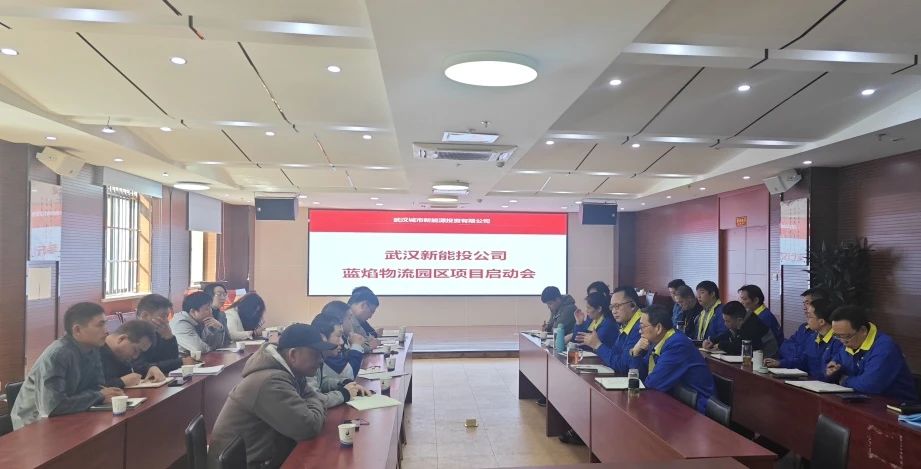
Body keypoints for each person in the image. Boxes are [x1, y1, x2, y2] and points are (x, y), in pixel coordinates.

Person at [207, 324, 333, 468]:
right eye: (315, 354)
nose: (321, 360)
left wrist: (313, 400)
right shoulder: (271, 382)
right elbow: (308, 427)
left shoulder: (292, 373)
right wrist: (317, 400)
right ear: (293, 355)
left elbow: (310, 399)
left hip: (261, 458)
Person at [11, 303, 124, 429]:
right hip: (33, 425)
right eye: (100, 325)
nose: (106, 331)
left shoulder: (93, 349)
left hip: (68, 416)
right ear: (77, 330)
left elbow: (97, 387)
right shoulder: (57, 355)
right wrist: (100, 396)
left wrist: (103, 394)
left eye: (105, 324)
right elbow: (53, 407)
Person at [631, 305, 715, 413]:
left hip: (698, 409)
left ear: (658, 328)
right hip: (676, 401)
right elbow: (641, 375)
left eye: (642, 327)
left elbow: (653, 384)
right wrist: (635, 353)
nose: (640, 331)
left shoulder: (677, 345)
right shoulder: (658, 341)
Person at [825, 306, 918, 401]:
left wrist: (844, 380)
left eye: (846, 336)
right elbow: (836, 363)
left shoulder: (885, 347)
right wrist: (832, 372)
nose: (842, 341)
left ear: (863, 330)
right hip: (862, 400)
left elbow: (870, 385)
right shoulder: (849, 343)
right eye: (837, 336)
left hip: (897, 405)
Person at [765, 299, 839, 378]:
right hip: (810, 382)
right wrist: (779, 363)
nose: (807, 320)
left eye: (809, 316)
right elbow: (803, 362)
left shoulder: (838, 342)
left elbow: (833, 373)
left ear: (821, 322)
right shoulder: (813, 337)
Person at [308, 312, 369, 407]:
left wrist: (344, 383)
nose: (341, 342)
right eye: (338, 336)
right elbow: (313, 400)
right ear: (322, 337)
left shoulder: (321, 357)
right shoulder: (308, 360)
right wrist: (344, 394)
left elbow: (321, 382)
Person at [582, 286, 645, 373]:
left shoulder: (641, 327)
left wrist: (598, 345)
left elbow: (622, 366)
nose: (614, 311)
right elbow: (615, 353)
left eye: (617, 306)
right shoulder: (626, 323)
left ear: (632, 305)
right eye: (612, 307)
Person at [132, 294, 195, 375]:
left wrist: (169, 338)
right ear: (145, 316)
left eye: (167, 316)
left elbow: (171, 359)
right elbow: (140, 368)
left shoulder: (158, 332)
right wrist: (180, 362)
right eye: (163, 316)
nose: (167, 321)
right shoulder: (133, 336)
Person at [704, 301, 778, 358]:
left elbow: (741, 348)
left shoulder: (752, 325)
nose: (725, 324)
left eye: (728, 321)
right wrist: (713, 341)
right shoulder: (741, 320)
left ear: (739, 320)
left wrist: (720, 345)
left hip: (768, 359)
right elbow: (728, 333)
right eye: (724, 320)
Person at [777, 288, 830, 366]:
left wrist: (798, 354)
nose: (804, 308)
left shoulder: (832, 338)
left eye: (807, 303)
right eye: (804, 304)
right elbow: (784, 347)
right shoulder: (804, 327)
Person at [100, 320, 161, 388]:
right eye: (135, 350)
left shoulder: (122, 356)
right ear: (121, 339)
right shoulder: (94, 352)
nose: (135, 357)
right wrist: (121, 382)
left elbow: (137, 367)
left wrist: (151, 368)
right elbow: (93, 389)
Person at [319, 301, 364, 377]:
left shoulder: (342, 339)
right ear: (339, 320)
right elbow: (349, 374)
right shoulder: (329, 347)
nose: (352, 322)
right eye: (349, 318)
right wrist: (356, 346)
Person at [348, 287, 382, 352]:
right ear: (363, 305)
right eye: (371, 311)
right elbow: (360, 345)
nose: (370, 316)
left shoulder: (355, 319)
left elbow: (366, 338)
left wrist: (370, 342)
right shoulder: (347, 318)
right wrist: (370, 346)